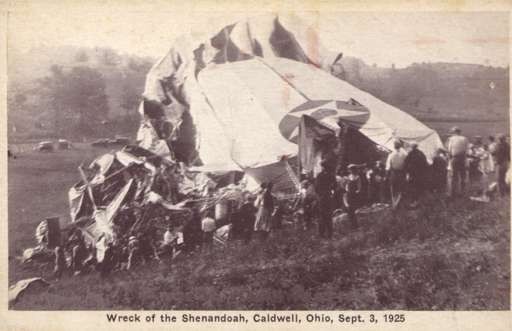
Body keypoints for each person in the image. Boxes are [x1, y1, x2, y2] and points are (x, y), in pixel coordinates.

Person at [314, 161, 336, 239]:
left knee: (323, 216)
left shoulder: (320, 175)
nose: (323, 168)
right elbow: (335, 186)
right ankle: (327, 234)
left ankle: (323, 234)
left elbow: (316, 187)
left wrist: (319, 195)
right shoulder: (330, 175)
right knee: (326, 216)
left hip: (323, 197)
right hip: (326, 197)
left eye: (323, 166)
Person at [404, 142, 429, 207]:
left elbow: (406, 163)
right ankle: (421, 202)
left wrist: (407, 172)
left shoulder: (410, 154)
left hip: (413, 174)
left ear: (412, 147)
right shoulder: (421, 153)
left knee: (413, 188)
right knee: (420, 188)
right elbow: (425, 164)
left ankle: (414, 202)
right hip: (420, 174)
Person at [446, 127, 469, 196]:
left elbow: (449, 150)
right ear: (459, 132)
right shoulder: (465, 138)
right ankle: (463, 191)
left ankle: (452, 192)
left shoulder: (451, 139)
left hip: (455, 158)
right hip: (463, 158)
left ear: (454, 132)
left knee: (453, 176)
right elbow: (466, 149)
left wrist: (449, 159)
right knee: (463, 175)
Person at [386, 140, 407, 209]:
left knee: (395, 188)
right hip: (398, 172)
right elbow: (388, 165)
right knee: (398, 187)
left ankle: (396, 203)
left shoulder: (393, 154)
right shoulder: (404, 153)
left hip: (397, 172)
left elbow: (388, 166)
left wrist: (387, 173)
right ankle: (396, 203)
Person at [342, 164, 362, 229]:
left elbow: (359, 186)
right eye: (350, 169)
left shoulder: (357, 177)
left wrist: (357, 191)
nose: (351, 171)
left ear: (354, 170)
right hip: (348, 194)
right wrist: (345, 189)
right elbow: (345, 185)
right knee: (349, 209)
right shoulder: (348, 177)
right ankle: (352, 224)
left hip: (353, 194)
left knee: (352, 209)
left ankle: (354, 224)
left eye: (352, 169)